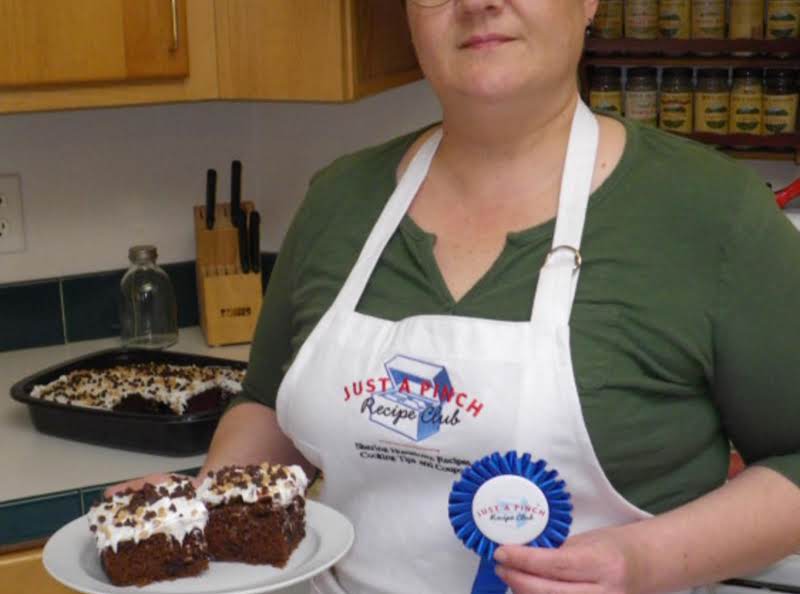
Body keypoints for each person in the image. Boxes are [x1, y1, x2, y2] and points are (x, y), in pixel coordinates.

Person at [111, 1, 800, 592]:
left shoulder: (711, 213)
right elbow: (267, 407)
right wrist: (194, 510)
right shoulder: (338, 202)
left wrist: (642, 563)